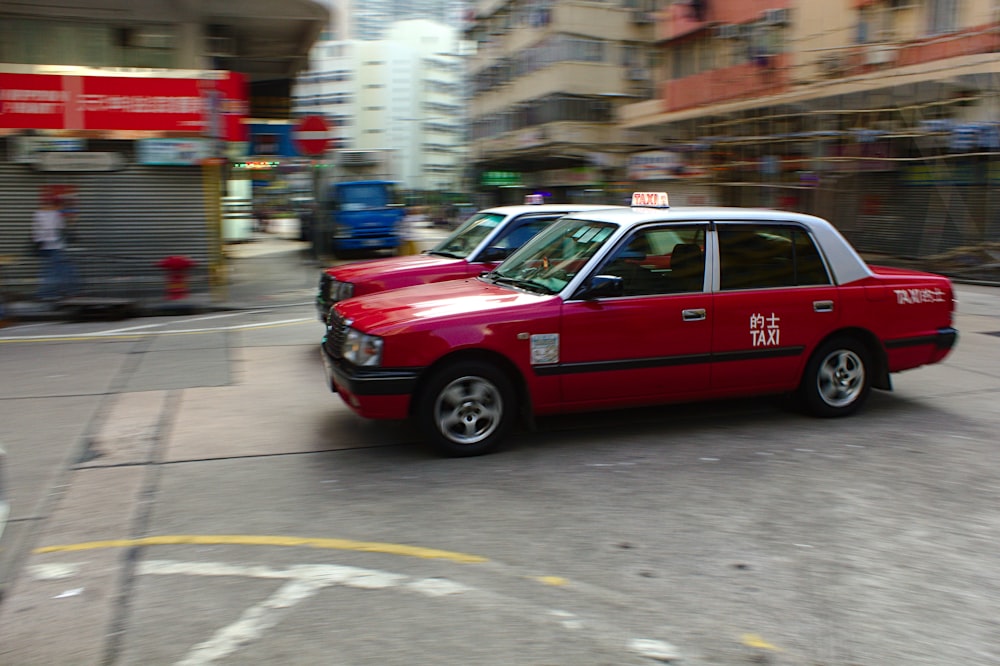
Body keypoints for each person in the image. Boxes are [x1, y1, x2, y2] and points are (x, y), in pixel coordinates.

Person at [32, 196, 77, 301]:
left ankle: (64, 292)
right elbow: (54, 230)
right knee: (54, 271)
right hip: (53, 247)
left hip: (50, 246)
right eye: (60, 205)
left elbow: (37, 231)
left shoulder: (40, 214)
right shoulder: (50, 214)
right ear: (56, 205)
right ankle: (47, 293)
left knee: (59, 270)